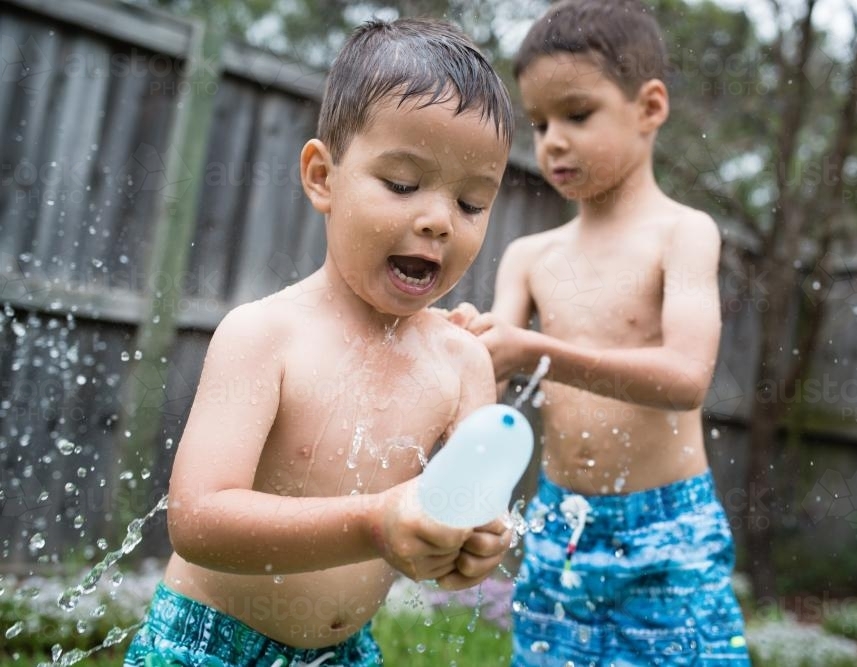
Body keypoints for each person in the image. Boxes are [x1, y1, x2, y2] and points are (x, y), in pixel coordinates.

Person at [123, 17, 515, 667]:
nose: (438, 219)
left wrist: (473, 549)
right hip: (207, 645)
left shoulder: (462, 362)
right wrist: (375, 521)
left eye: (472, 203)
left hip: (344, 652)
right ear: (322, 176)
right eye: (402, 183)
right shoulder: (266, 337)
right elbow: (195, 521)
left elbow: (455, 547)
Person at [448, 0, 750, 664]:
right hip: (561, 523)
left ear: (649, 107)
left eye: (577, 115)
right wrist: (465, 350)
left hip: (668, 529)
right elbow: (488, 389)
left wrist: (533, 350)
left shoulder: (682, 233)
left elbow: (685, 379)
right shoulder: (531, 255)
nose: (552, 139)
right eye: (539, 122)